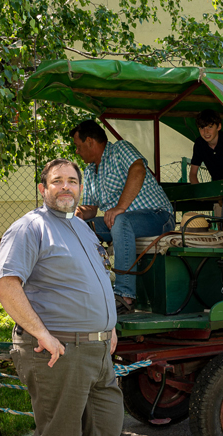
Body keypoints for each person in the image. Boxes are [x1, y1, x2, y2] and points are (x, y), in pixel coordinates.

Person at [0, 158, 136, 436]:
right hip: (57, 350)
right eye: (57, 181)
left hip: (97, 348)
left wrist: (109, 326)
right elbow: (4, 282)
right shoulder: (31, 227)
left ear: (80, 188)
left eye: (72, 180)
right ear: (43, 189)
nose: (66, 187)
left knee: (106, 424)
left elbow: (95, 281)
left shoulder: (82, 227)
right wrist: (41, 333)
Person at [70, 120, 175, 315]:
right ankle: (88, 290)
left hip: (158, 217)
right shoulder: (90, 172)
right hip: (121, 223)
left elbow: (138, 170)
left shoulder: (120, 149)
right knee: (81, 227)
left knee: (120, 220)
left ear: (90, 141)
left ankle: (125, 296)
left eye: (78, 146)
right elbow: (91, 209)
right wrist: (78, 214)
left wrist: (120, 208)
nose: (77, 151)